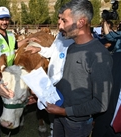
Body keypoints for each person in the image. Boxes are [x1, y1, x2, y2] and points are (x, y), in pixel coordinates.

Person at [43, 0, 113, 137]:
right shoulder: (72, 48)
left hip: (78, 124)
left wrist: (65, 112)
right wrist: (45, 94)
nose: (60, 25)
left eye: (65, 21)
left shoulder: (99, 56)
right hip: (60, 115)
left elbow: (101, 104)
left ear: (81, 22)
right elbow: (67, 81)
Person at [0, 6, 39, 137]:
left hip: (10, 73)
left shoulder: (9, 34)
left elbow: (14, 46)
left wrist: (27, 40)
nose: (4, 22)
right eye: (1, 19)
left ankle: (12, 120)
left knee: (11, 99)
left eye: (6, 19)